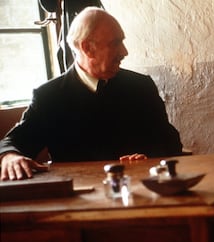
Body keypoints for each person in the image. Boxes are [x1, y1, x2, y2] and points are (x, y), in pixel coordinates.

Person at [0, 7, 183, 181]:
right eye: (115, 43)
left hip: (139, 189)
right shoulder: (49, 97)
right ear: (87, 48)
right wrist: (9, 156)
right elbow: (14, 141)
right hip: (79, 201)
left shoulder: (141, 86)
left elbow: (169, 141)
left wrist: (148, 157)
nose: (124, 52)